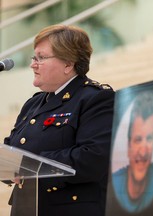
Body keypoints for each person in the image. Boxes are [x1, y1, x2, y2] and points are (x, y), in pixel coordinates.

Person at [3, 24, 114, 216]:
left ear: (68, 64)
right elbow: (13, 148)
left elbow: (93, 157)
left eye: (41, 58)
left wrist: (30, 167)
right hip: (26, 207)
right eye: (33, 57)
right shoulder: (34, 103)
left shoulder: (95, 98)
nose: (33, 64)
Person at [112, 92, 153, 213]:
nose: (143, 152)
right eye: (138, 140)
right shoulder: (113, 185)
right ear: (128, 145)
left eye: (149, 139)